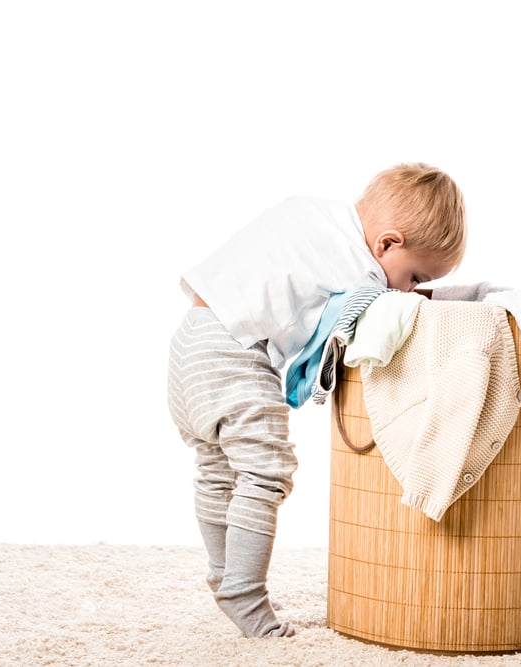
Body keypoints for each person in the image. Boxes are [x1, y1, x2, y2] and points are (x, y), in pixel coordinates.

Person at [166, 163, 467, 637]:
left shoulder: (312, 214)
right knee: (267, 472)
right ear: (386, 244)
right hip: (232, 352)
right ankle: (244, 596)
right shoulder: (365, 270)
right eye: (413, 275)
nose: (408, 288)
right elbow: (365, 316)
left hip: (191, 339)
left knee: (217, 468)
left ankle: (224, 570)